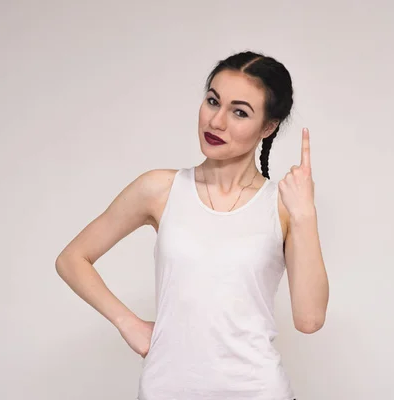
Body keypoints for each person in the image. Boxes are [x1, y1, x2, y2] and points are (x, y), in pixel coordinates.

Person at [55, 50, 329, 400]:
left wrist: (305, 214)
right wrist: (129, 324)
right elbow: (72, 258)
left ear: (268, 126)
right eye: (213, 101)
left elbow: (309, 320)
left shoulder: (283, 205)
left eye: (239, 112)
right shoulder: (159, 189)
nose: (216, 121)